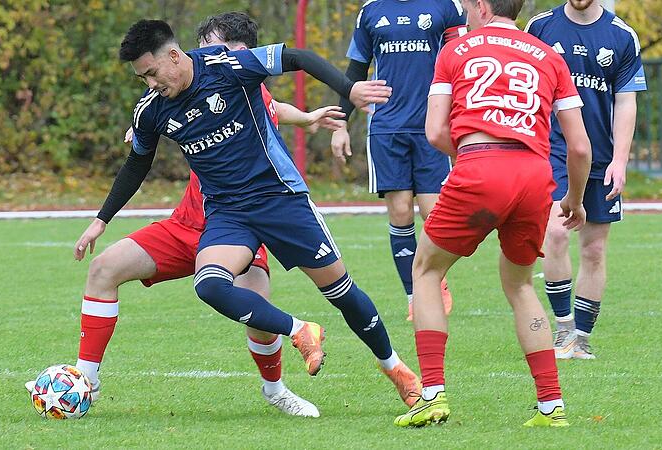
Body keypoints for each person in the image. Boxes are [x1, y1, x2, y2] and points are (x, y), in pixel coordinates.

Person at [73, 18, 422, 412]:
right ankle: (300, 330)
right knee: (209, 285)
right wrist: (102, 219)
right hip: (228, 213)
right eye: (142, 79)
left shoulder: (226, 64)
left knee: (341, 291)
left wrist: (350, 88)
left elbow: (298, 56)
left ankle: (396, 369)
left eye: (151, 73)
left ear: (174, 56)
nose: (150, 84)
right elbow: (136, 164)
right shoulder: (153, 111)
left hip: (280, 199)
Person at [393, 0, 592, 428]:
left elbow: (434, 131)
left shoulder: (455, 50)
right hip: (535, 174)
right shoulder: (549, 55)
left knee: (426, 270)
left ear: (481, 5)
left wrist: (471, 154)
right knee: (520, 285)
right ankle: (551, 405)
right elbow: (579, 147)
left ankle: (431, 394)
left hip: (481, 166)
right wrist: (574, 199)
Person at [331, 0, 467, 320]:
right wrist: (340, 124)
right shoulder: (371, 11)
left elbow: (462, 61)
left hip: (432, 125)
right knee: (401, 209)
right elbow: (355, 70)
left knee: (435, 214)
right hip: (386, 127)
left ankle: (435, 279)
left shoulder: (446, 6)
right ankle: (414, 294)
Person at [526, 0, 647, 360]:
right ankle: (563, 331)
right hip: (555, 152)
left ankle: (581, 337)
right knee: (557, 233)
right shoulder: (541, 28)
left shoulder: (621, 35)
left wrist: (620, 161)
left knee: (594, 249)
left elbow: (626, 102)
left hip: (602, 157)